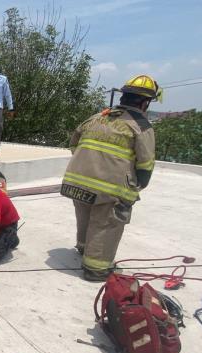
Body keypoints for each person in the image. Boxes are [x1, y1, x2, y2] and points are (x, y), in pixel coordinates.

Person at [61, 75, 160, 282]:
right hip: (110, 188)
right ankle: (95, 269)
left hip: (76, 181)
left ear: (123, 97)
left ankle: (84, 248)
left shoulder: (97, 117)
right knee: (106, 223)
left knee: (85, 215)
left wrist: (87, 166)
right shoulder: (141, 125)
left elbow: (74, 143)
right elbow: (145, 165)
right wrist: (135, 187)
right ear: (144, 102)